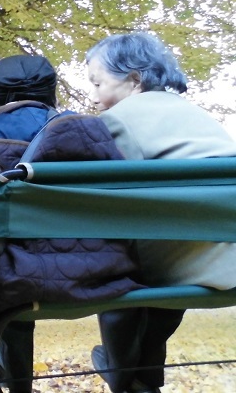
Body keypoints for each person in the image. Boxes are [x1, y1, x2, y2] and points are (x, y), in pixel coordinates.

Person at [0, 55, 140, 393]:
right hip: (104, 273)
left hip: (19, 278)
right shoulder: (91, 133)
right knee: (14, 286)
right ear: (50, 91)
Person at [86, 32, 236, 393]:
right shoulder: (192, 114)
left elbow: (109, 202)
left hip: (183, 258)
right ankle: (139, 380)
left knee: (114, 270)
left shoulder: (116, 120)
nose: (93, 96)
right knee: (157, 304)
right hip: (222, 253)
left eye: (98, 83)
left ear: (134, 78)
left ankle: (124, 378)